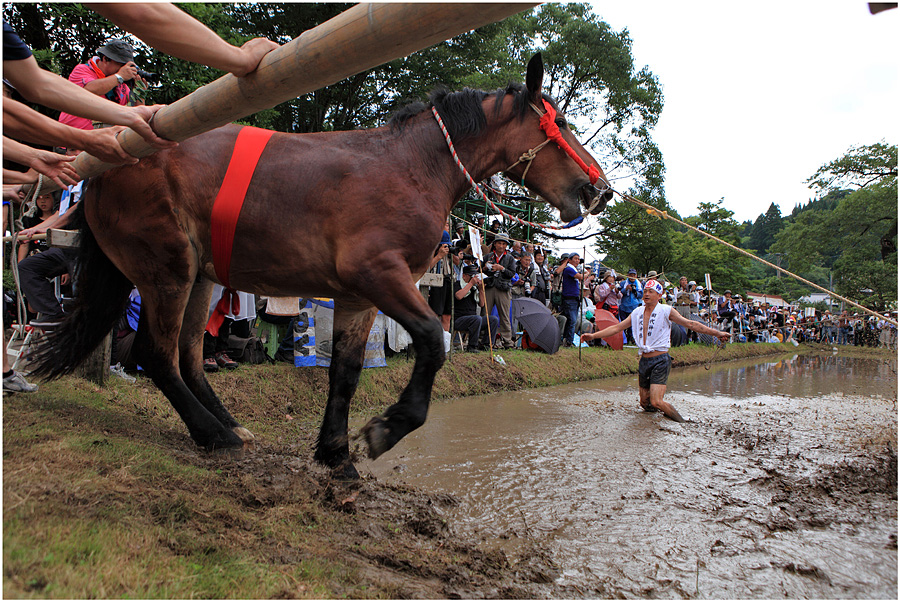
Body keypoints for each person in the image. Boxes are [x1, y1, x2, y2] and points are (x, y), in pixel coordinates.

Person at [581, 279, 731, 422]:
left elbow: (691, 324)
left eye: (651, 291)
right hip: (644, 360)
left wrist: (717, 333)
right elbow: (616, 328)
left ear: (659, 295)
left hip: (660, 360)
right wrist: (593, 335)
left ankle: (682, 423)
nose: (646, 294)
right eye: (645, 291)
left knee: (656, 401)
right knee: (645, 403)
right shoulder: (637, 312)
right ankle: (653, 424)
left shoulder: (666, 310)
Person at [481, 231, 516, 348]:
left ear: (506, 246)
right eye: (499, 243)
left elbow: (512, 274)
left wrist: (501, 268)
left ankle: (507, 341)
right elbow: (480, 270)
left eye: (504, 244)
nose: (501, 246)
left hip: (503, 289)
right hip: (489, 287)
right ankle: (483, 339)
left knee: (504, 315)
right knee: (485, 313)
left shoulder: (510, 259)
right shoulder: (487, 256)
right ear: (494, 244)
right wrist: (485, 267)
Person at [452, 264, 498, 352]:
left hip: (474, 320)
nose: (473, 278)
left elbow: (482, 304)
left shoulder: (474, 288)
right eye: (471, 276)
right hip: (459, 319)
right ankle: (472, 346)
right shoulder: (458, 284)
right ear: (464, 275)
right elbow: (459, 296)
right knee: (476, 318)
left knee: (493, 320)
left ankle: (486, 344)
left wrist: (481, 289)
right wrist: (470, 283)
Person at [556, 252, 584, 346]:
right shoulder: (568, 269)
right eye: (575, 258)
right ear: (570, 259)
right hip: (569, 299)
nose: (577, 261)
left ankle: (567, 340)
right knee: (572, 320)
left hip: (574, 298)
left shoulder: (573, 269)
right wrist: (588, 273)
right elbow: (580, 277)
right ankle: (568, 341)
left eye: (578, 259)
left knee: (571, 320)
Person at [618, 268, 643, 343]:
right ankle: (623, 338)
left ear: (636, 276)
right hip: (623, 306)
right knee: (623, 323)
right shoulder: (623, 283)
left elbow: (640, 295)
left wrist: (634, 291)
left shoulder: (639, 284)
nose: (632, 277)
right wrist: (626, 289)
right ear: (628, 275)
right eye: (631, 275)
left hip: (634, 306)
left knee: (633, 323)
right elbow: (619, 294)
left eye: (634, 275)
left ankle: (631, 338)